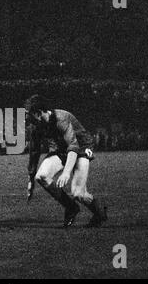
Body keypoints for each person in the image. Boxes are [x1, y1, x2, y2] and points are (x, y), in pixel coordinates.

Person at [25, 94, 107, 228]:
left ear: (38, 113)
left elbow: (73, 146)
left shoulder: (61, 119)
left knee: (78, 194)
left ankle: (99, 212)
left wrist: (66, 172)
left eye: (29, 114)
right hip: (61, 149)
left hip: (81, 148)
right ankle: (71, 208)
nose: (27, 117)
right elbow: (34, 151)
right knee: (42, 176)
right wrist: (31, 179)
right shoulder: (36, 125)